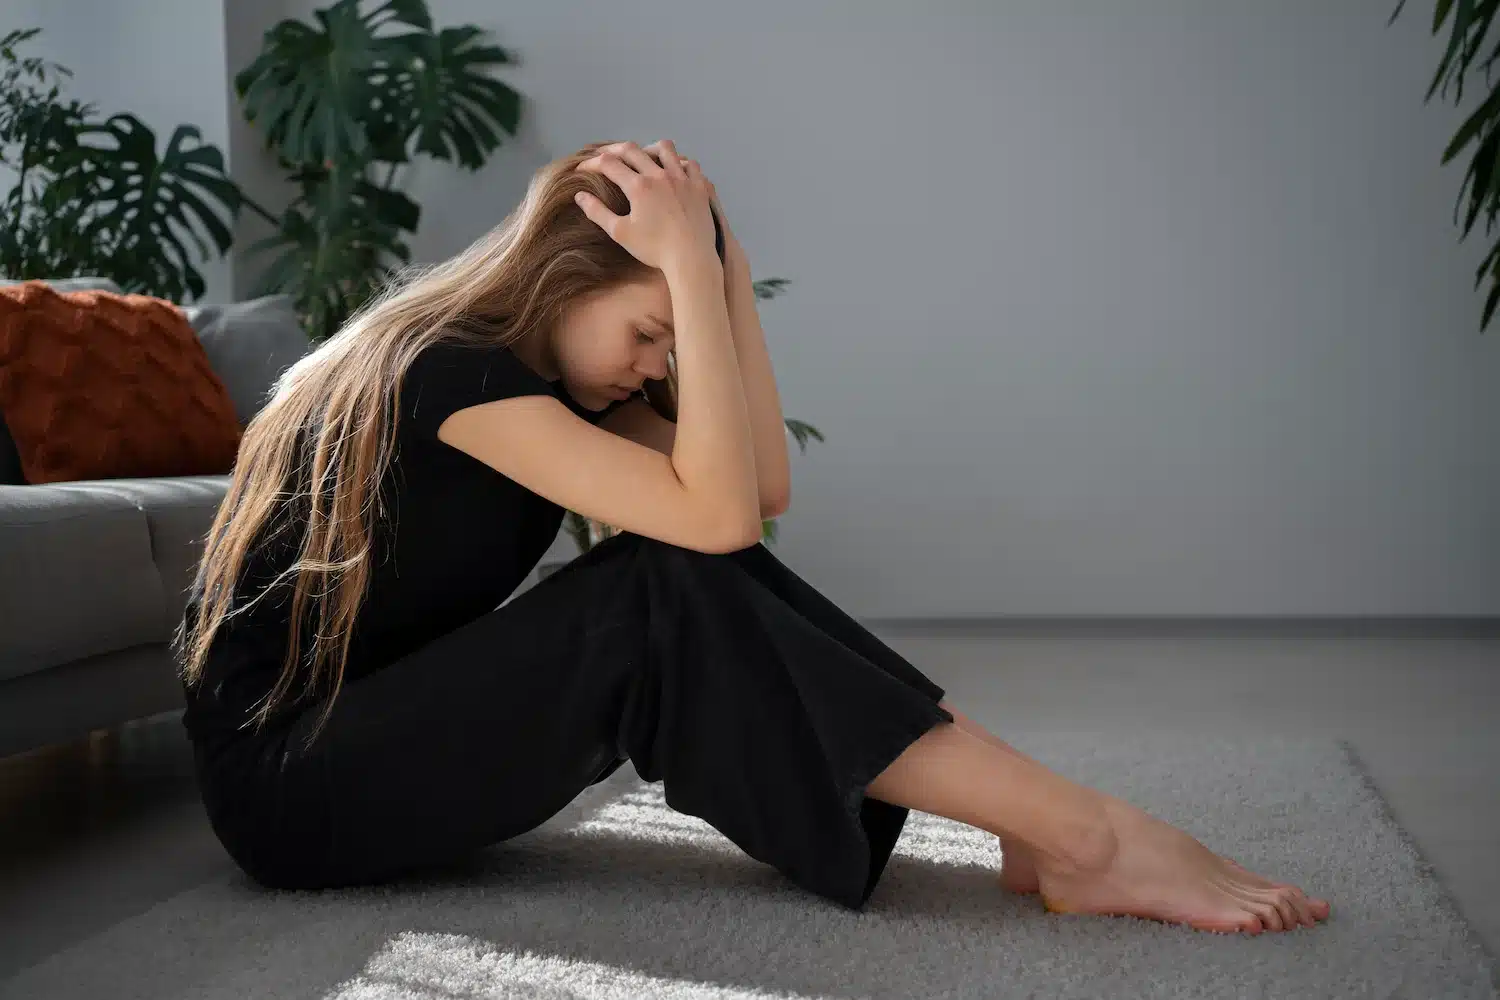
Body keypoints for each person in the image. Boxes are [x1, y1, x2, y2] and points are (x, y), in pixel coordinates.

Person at [174, 138, 1331, 935]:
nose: (657, 367)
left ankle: (1047, 827)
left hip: (371, 734)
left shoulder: (544, 382)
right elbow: (725, 513)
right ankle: (1084, 832)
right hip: (294, 788)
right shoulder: (449, 375)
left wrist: (715, 275)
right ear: (568, 275)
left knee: (682, 561)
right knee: (658, 584)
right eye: (648, 331)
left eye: (672, 346)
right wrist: (684, 257)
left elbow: (757, 486)